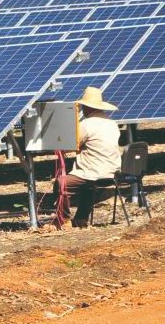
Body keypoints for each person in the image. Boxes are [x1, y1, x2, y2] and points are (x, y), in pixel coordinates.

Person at [52, 86, 121, 228]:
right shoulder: (112, 123)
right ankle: (81, 219)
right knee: (88, 187)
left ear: (87, 107)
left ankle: (63, 219)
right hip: (112, 170)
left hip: (93, 172)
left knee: (60, 183)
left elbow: (72, 144)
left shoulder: (87, 124)